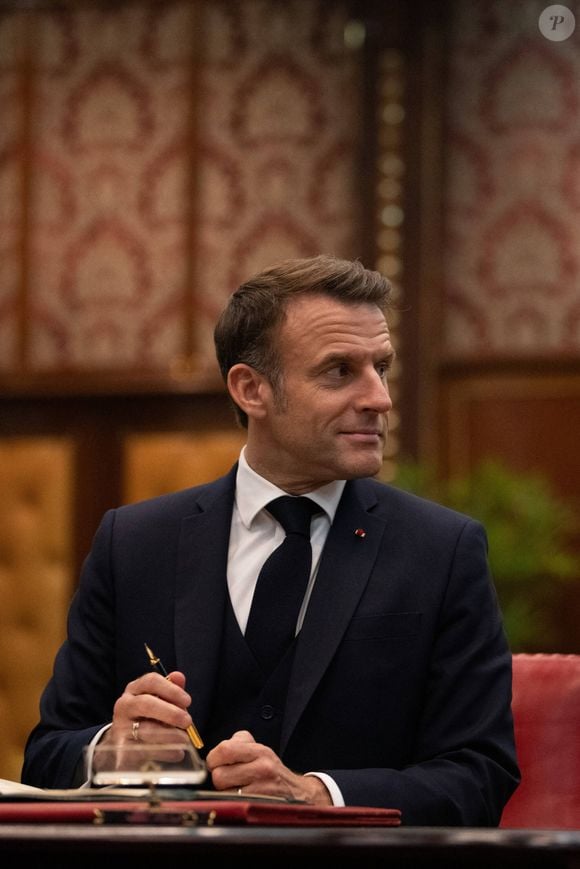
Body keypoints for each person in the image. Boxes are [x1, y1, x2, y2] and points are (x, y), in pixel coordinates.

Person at [21, 254, 520, 825]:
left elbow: (481, 776)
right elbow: (46, 757)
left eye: (381, 367)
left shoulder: (444, 550)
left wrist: (319, 795)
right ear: (251, 389)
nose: (379, 397)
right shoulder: (133, 542)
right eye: (340, 371)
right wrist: (110, 749)